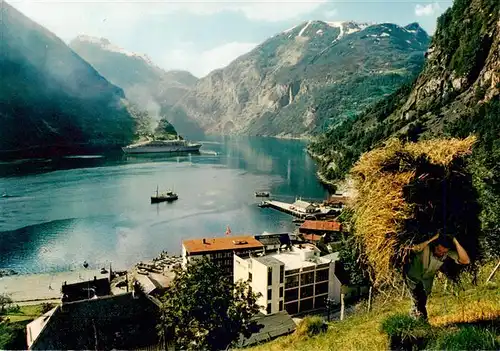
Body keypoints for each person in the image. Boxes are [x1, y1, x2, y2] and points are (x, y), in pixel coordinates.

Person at [403, 233, 470, 320]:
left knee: (421, 301)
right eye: (439, 250)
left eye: (444, 252)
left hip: (426, 284)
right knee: (418, 301)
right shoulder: (425, 248)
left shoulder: (446, 253)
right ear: (435, 246)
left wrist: (455, 241)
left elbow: (465, 260)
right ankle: (419, 321)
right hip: (412, 278)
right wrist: (433, 238)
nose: (441, 253)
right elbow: (412, 248)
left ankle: (416, 322)